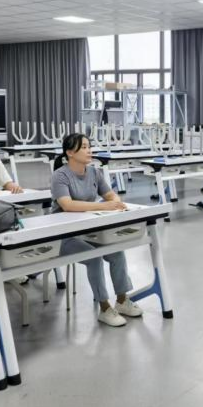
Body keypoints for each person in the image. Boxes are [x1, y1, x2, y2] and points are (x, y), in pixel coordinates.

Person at [51, 133, 142, 327]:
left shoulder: (94, 173)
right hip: (62, 236)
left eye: (89, 146)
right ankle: (104, 308)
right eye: (83, 147)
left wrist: (115, 202)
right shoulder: (60, 175)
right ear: (70, 153)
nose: (89, 150)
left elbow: (111, 195)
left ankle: (122, 300)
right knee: (94, 257)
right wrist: (104, 205)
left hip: (87, 230)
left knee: (116, 252)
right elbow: (67, 205)